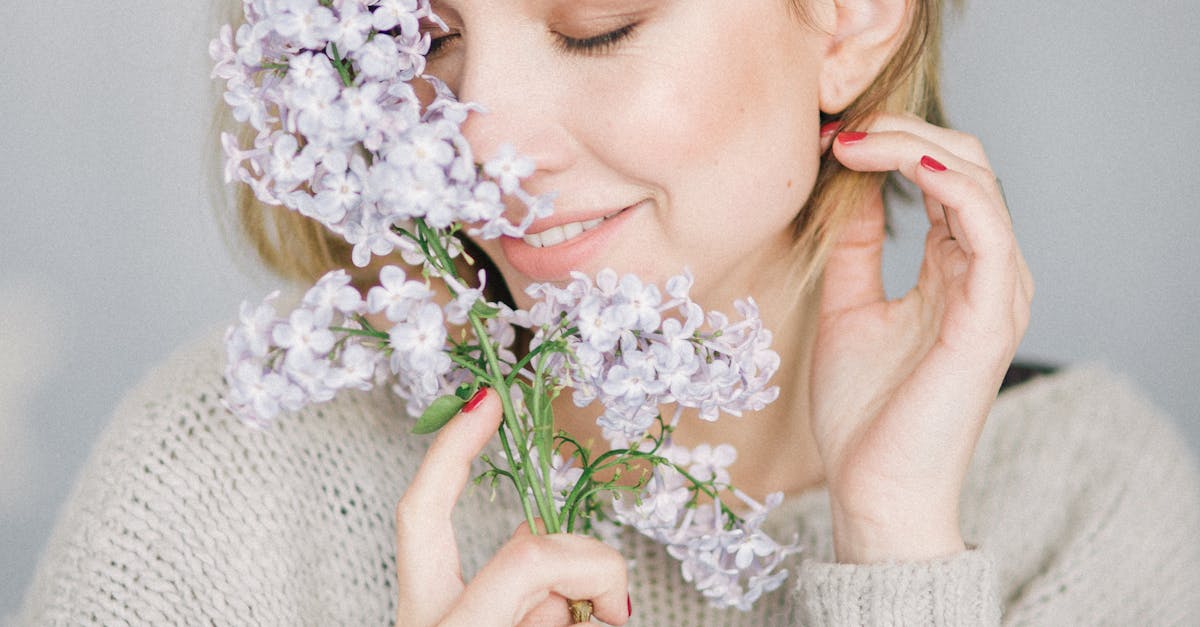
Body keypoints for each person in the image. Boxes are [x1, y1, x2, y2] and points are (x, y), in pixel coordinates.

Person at [17, 0, 1200, 624]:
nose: (479, 139)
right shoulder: (221, 485)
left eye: (598, 25)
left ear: (847, 15)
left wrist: (896, 552)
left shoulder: (1090, 505)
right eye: (427, 42)